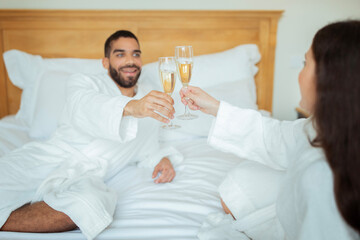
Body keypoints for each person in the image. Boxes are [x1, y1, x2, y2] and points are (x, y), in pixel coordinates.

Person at [181, 20, 360, 239]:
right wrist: (216, 108)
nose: (300, 73)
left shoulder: (321, 180)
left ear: (328, 78)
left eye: (305, 64)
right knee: (239, 182)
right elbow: (277, 136)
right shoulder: (325, 126)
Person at [0, 30, 182, 240]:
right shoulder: (83, 82)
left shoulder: (149, 95)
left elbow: (145, 144)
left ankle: (8, 220)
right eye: (120, 54)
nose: (130, 61)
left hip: (88, 175)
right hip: (48, 157)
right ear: (105, 62)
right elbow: (84, 106)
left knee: (89, 207)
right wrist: (132, 107)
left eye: (136, 54)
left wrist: (161, 158)